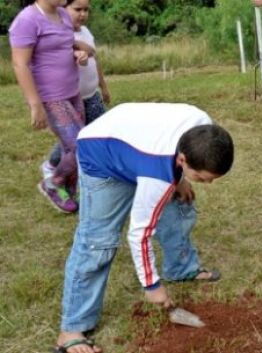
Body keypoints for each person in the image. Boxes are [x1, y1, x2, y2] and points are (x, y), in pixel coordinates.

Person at [54, 103, 234, 353]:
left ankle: (180, 268)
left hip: (137, 144)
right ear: (182, 159)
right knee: (98, 242)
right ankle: (71, 330)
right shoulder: (158, 173)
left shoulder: (204, 128)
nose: (209, 183)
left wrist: (181, 179)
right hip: (101, 153)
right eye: (203, 178)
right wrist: (151, 286)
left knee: (180, 206)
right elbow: (139, 234)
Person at [9, 0, 93, 213]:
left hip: (72, 92)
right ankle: (53, 183)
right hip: (51, 97)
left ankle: (69, 192)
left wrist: (79, 52)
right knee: (79, 145)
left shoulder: (63, 15)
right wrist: (35, 104)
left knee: (72, 146)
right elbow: (20, 64)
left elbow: (66, 44)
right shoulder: (27, 20)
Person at [42, 0, 112, 182]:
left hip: (92, 95)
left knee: (99, 133)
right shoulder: (59, 36)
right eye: (77, 9)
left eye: (86, 10)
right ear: (62, 10)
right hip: (72, 99)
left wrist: (103, 87)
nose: (82, 14)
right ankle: (51, 165)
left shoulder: (86, 32)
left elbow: (95, 62)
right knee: (74, 140)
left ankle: (96, 171)